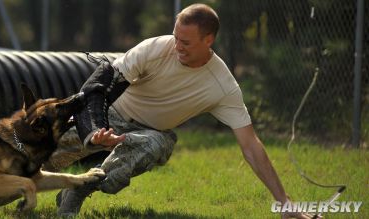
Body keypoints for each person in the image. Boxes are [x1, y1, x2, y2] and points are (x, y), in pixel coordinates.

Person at [44, 3, 313, 219]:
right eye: (175, 37)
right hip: (109, 117)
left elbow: (250, 144)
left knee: (158, 144)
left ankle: (78, 190)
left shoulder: (222, 85)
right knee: (39, 159)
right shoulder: (155, 48)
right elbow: (100, 85)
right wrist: (94, 130)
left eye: (185, 42)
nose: (177, 46)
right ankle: (3, 192)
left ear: (209, 40)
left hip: (149, 133)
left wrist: (284, 202)